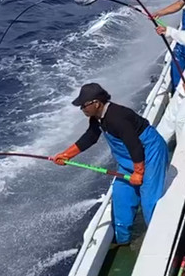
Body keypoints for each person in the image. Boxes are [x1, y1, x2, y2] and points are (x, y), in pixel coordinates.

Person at [53, 83, 169, 246]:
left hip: (149, 153)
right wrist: (66, 155)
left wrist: (138, 172)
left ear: (96, 103)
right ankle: (122, 239)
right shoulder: (97, 118)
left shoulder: (117, 118)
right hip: (130, 158)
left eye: (84, 106)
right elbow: (91, 137)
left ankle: (158, 241)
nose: (82, 110)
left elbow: (134, 145)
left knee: (149, 199)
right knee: (121, 197)